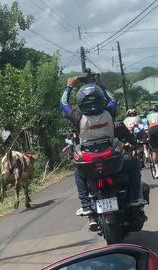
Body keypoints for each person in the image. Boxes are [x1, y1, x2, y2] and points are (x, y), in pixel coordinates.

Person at [59, 75, 147, 224]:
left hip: (89, 161)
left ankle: (86, 205)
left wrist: (69, 86)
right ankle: (134, 198)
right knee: (132, 163)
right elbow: (113, 99)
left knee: (77, 172)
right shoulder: (109, 113)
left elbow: (63, 103)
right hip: (111, 158)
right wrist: (101, 85)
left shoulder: (78, 118)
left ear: (81, 102)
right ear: (100, 99)